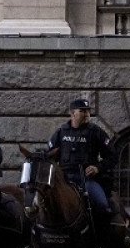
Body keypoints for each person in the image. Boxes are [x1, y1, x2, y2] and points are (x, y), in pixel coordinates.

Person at [46, 97, 118, 228]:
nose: (87, 114)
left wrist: (97, 168)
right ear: (73, 113)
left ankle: (101, 244)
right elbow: (49, 156)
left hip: (87, 180)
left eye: (88, 111)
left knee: (103, 206)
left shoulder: (96, 132)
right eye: (83, 111)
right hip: (64, 180)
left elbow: (112, 156)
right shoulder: (61, 133)